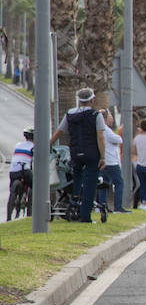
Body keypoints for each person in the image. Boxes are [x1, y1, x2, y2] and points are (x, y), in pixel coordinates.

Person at [51, 88, 106, 222]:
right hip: (92, 154)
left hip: (75, 153)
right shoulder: (96, 115)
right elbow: (100, 137)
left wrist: (48, 144)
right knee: (90, 184)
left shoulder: (69, 114)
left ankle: (75, 201)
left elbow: (59, 131)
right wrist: (103, 157)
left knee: (77, 179)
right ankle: (85, 216)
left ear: (79, 101)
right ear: (92, 100)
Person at [97, 109, 126, 214]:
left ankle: (102, 206)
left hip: (104, 161)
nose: (112, 118)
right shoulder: (106, 129)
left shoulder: (101, 129)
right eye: (110, 116)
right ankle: (118, 207)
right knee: (119, 183)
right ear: (105, 118)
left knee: (103, 184)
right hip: (111, 162)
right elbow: (119, 139)